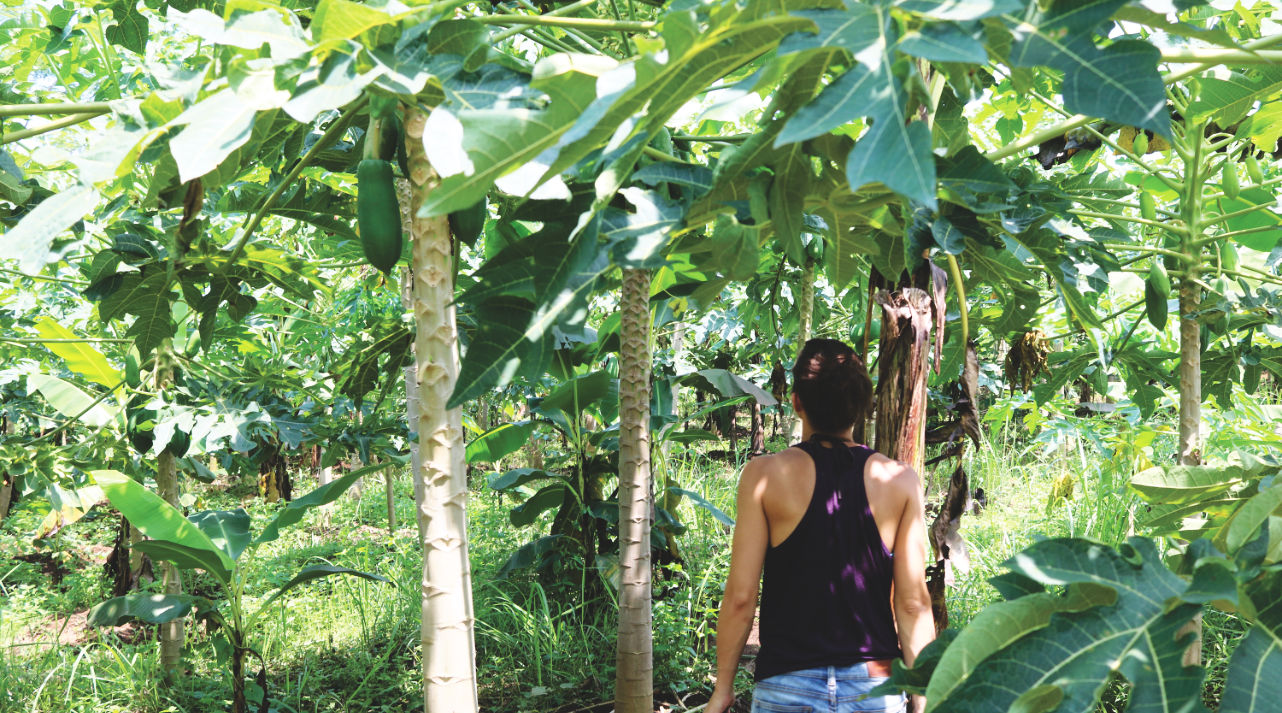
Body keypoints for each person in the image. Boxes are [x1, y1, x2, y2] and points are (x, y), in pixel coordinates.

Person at [705, 338, 935, 713]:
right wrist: (921, 696)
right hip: (874, 685)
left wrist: (723, 690)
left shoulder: (764, 475)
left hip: (786, 686)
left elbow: (741, 598)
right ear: (862, 407)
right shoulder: (900, 480)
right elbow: (912, 603)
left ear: (797, 402)